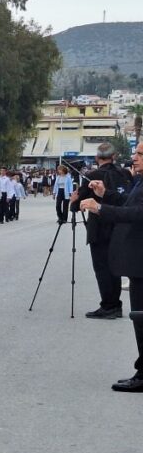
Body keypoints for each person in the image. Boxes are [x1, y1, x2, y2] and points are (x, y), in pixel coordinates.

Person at [78, 152, 143, 392]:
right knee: (139, 317)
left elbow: (138, 214)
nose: (134, 158)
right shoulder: (139, 181)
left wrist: (100, 208)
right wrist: (104, 194)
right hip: (136, 261)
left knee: (141, 318)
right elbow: (128, 204)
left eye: (140, 154)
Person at [70, 143, 132, 319]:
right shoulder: (125, 173)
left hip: (100, 227)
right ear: (114, 157)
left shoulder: (92, 176)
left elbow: (77, 205)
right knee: (115, 267)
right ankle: (115, 305)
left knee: (102, 268)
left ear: (97, 158)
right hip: (121, 226)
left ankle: (109, 306)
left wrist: (73, 200)